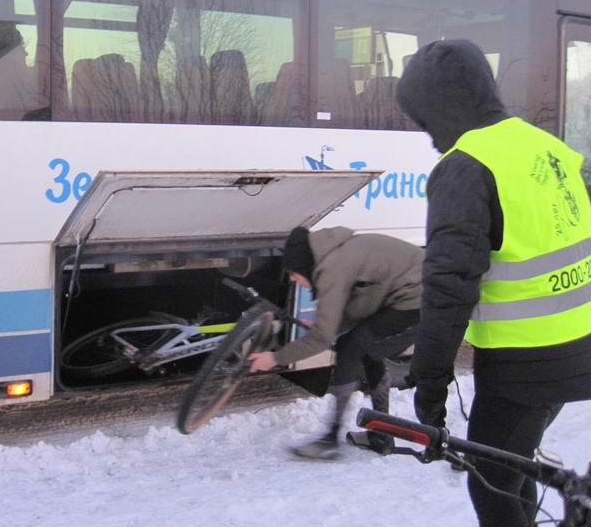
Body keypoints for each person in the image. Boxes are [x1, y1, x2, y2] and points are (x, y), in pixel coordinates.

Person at [395, 39, 591, 527]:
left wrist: (431, 385)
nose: (427, 133)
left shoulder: (466, 167)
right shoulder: (547, 147)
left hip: (526, 364)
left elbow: (448, 287)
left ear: (441, 105)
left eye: (423, 118)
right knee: (510, 465)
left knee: (491, 484)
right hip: (576, 345)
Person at [248, 226, 423, 459]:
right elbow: (359, 307)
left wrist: (275, 358)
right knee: (367, 348)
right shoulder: (335, 254)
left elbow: (322, 338)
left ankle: (331, 437)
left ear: (303, 266)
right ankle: (382, 435)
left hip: (424, 301)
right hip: (415, 294)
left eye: (292, 272)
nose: (292, 279)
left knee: (350, 349)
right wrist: (328, 327)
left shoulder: (333, 268)